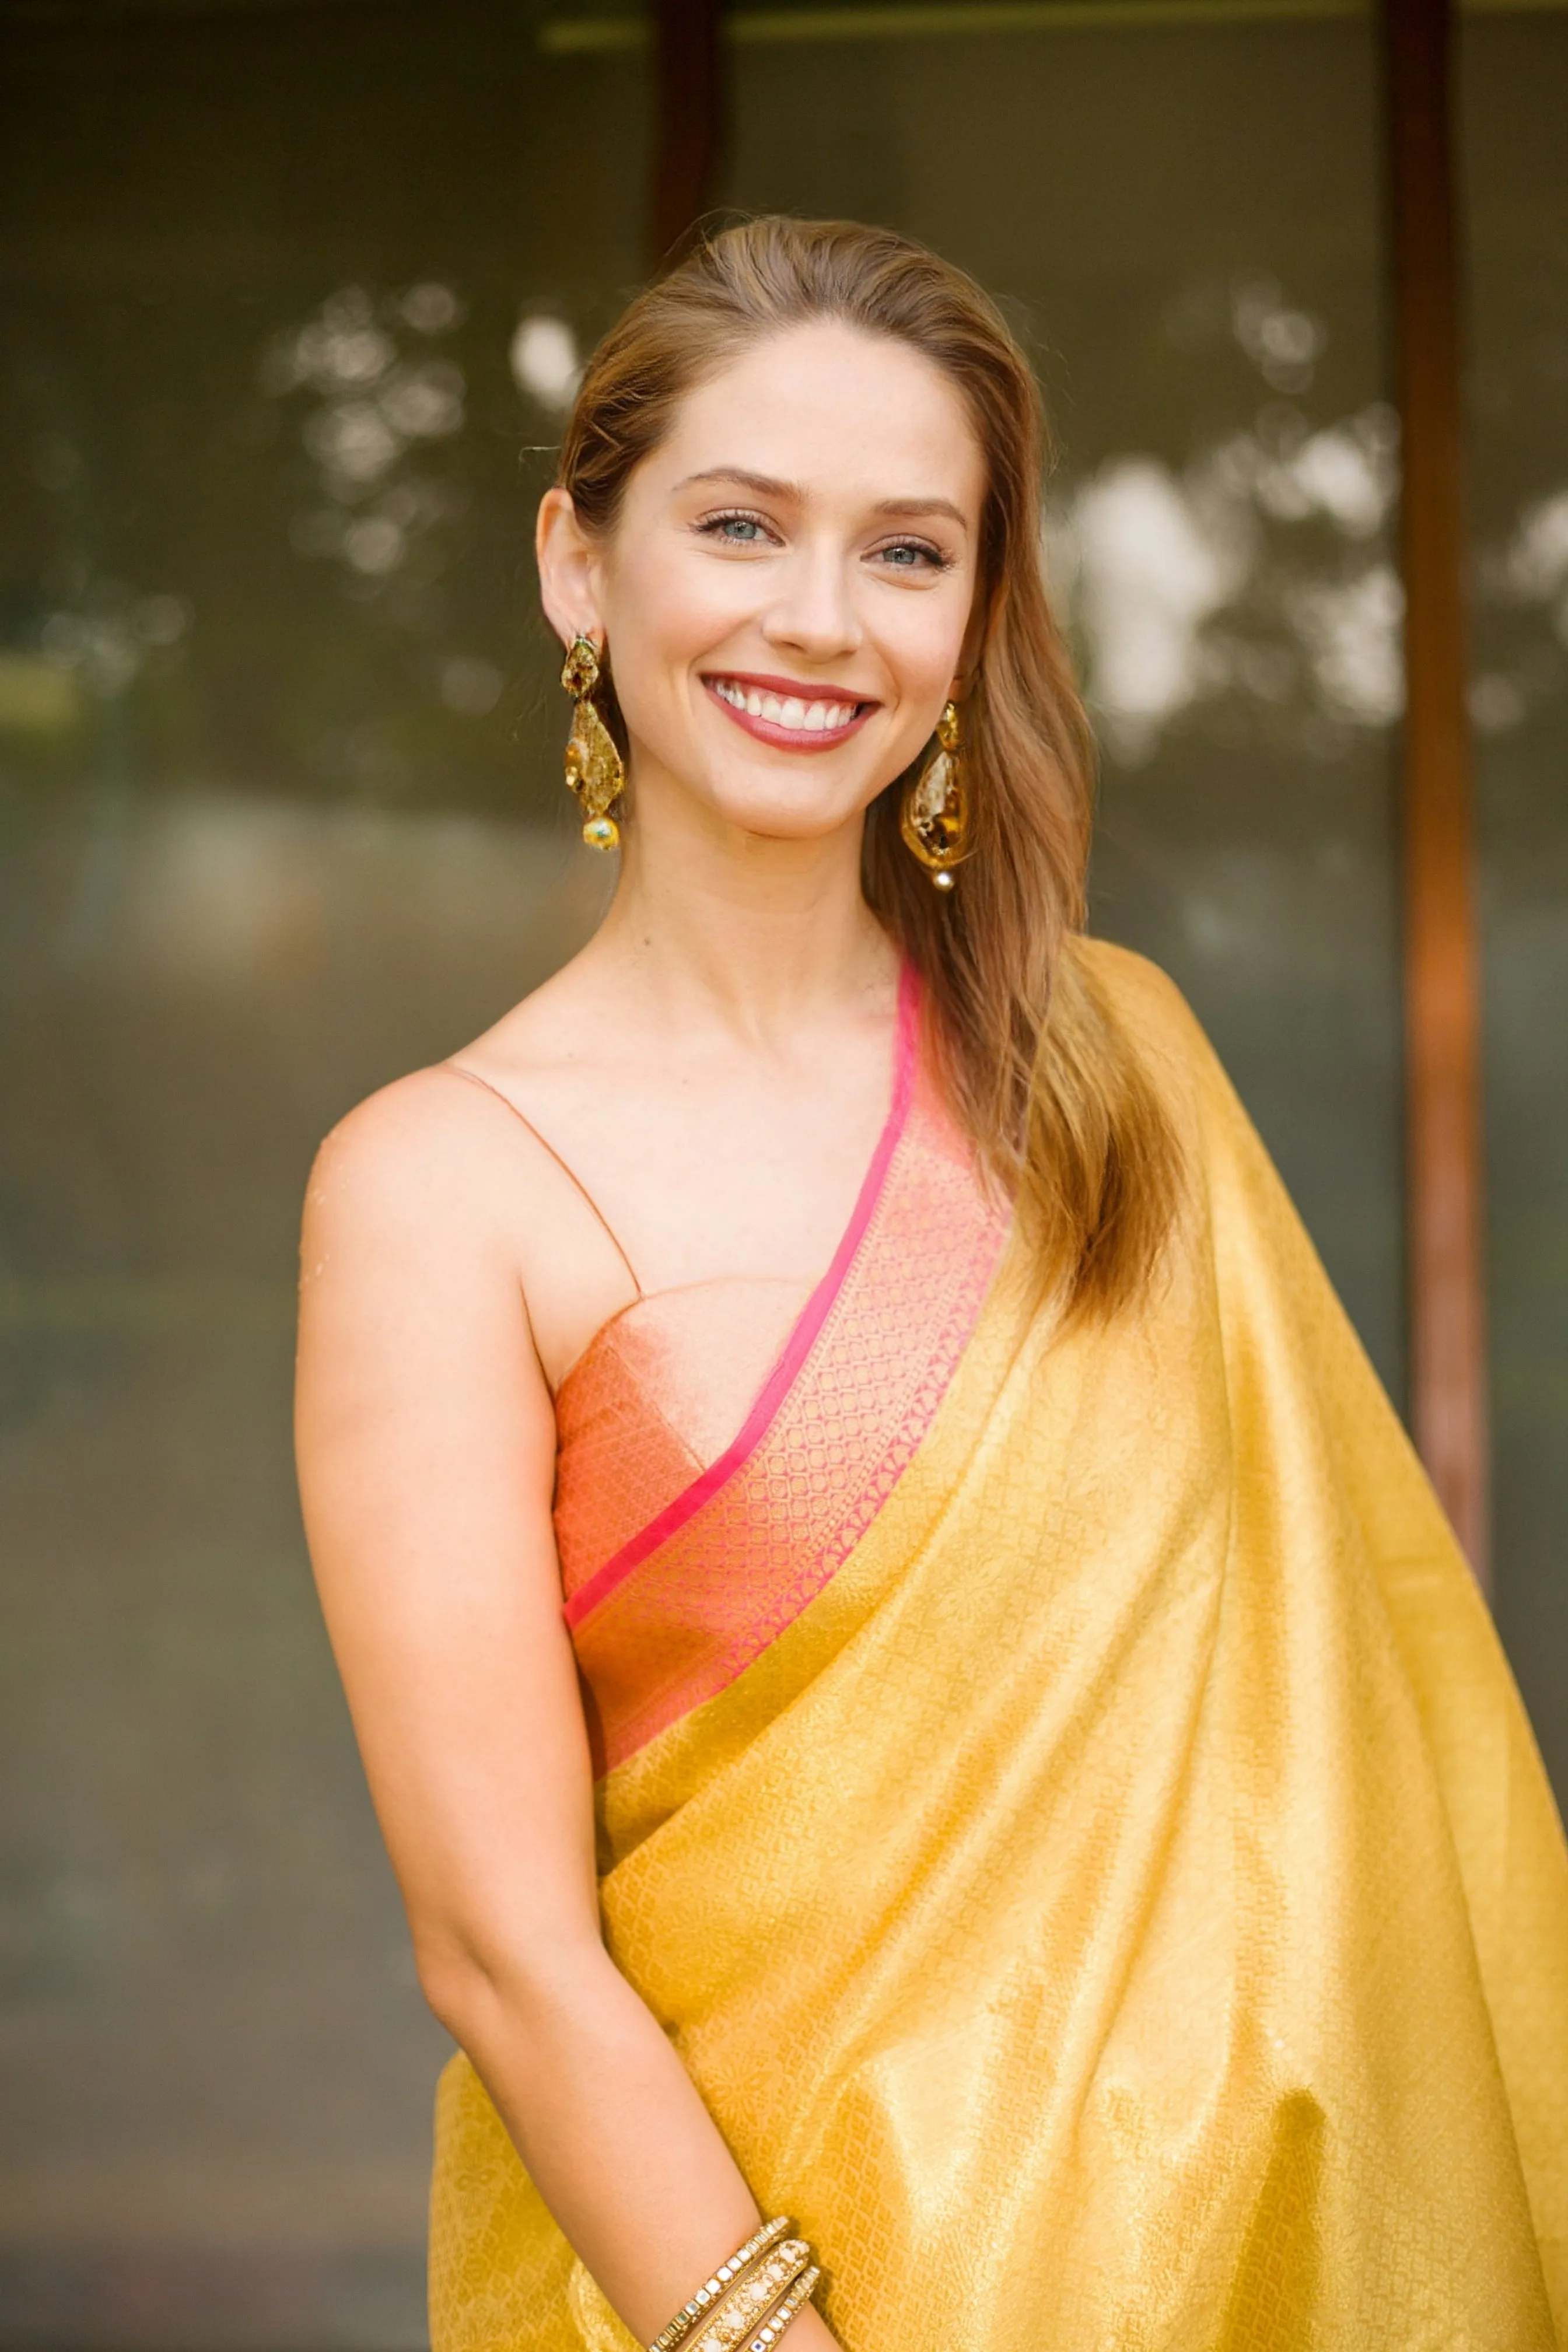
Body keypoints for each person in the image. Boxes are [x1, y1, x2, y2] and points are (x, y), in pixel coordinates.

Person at [294, 218, 1568, 2352]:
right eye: (738, 524)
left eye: (909, 551)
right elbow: (500, 1946)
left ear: (979, 613)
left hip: (1258, 2282)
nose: (820, 618)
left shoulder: (1117, 1067)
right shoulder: (439, 1187)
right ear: (576, 563)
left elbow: (1362, 1755)